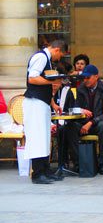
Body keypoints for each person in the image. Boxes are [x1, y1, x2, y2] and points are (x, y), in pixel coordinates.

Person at [23, 39, 67, 184]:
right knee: (37, 138)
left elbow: (43, 85)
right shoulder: (41, 57)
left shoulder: (46, 59)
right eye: (61, 55)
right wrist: (52, 82)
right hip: (34, 103)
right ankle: (37, 173)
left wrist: (53, 103)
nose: (59, 58)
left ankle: (46, 170)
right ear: (57, 50)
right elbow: (33, 78)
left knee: (44, 138)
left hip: (42, 102)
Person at [67, 64, 103, 175]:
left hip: (98, 123)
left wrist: (92, 122)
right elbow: (75, 108)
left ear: (96, 77)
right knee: (69, 127)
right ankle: (79, 163)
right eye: (84, 77)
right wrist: (81, 110)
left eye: (88, 77)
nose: (85, 80)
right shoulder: (81, 89)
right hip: (84, 123)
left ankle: (102, 163)